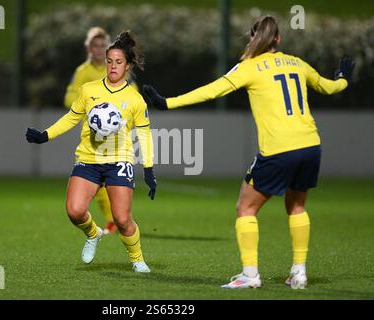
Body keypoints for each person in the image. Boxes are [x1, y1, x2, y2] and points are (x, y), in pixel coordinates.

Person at [142, 16, 355, 288]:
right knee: (298, 206)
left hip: (280, 148)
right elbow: (329, 86)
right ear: (277, 39)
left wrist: (167, 103)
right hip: (311, 145)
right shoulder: (296, 63)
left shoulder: (249, 67)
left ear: (252, 38)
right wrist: (344, 78)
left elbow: (212, 90)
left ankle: (250, 275)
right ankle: (299, 272)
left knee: (245, 208)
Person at [26, 30, 157, 273]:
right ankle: (94, 233)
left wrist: (148, 168)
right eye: (109, 61)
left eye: (118, 62)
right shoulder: (88, 89)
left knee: (122, 220)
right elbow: (71, 118)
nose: (113, 66)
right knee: (74, 211)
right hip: (88, 159)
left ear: (128, 65)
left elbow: (145, 134)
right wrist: (46, 135)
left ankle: (137, 258)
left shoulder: (135, 99)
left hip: (119, 161)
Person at [64, 27, 116, 234]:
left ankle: (117, 219)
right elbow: (69, 98)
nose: (99, 49)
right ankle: (114, 220)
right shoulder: (83, 72)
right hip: (94, 135)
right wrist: (92, 106)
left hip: (116, 132)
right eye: (95, 45)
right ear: (88, 48)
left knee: (114, 177)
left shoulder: (115, 68)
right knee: (102, 178)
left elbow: (132, 91)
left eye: (103, 45)